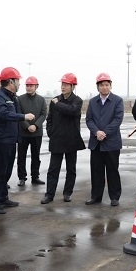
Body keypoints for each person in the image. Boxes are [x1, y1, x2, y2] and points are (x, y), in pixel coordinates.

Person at [0, 67, 35, 214]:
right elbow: (3, 114)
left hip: (10, 140)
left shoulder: (13, 97)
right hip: (0, 140)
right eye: (18, 81)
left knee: (6, 171)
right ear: (10, 82)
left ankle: (3, 197)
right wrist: (23, 116)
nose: (19, 84)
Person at [41, 73, 86, 204]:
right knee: (53, 169)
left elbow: (72, 111)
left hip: (71, 140)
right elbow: (49, 119)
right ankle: (49, 194)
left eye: (66, 85)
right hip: (57, 139)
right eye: (62, 84)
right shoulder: (55, 100)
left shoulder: (77, 100)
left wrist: (58, 104)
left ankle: (67, 193)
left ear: (72, 86)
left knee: (71, 169)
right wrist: (50, 132)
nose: (63, 87)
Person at [85, 73, 124, 206]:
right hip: (96, 142)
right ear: (98, 87)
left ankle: (114, 197)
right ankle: (96, 196)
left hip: (111, 143)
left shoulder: (117, 101)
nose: (104, 87)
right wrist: (96, 132)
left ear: (110, 86)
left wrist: (105, 133)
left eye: (107, 85)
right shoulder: (92, 102)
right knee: (96, 171)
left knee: (112, 171)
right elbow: (89, 119)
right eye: (102, 85)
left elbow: (117, 119)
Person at [17, 76, 48, 186]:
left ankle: (35, 176)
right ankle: (22, 177)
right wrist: (27, 126)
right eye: (27, 86)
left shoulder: (41, 100)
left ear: (36, 86)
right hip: (23, 132)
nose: (29, 88)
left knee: (36, 156)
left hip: (36, 133)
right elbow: (19, 114)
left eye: (31, 86)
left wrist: (35, 125)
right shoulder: (19, 99)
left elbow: (43, 114)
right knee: (21, 156)